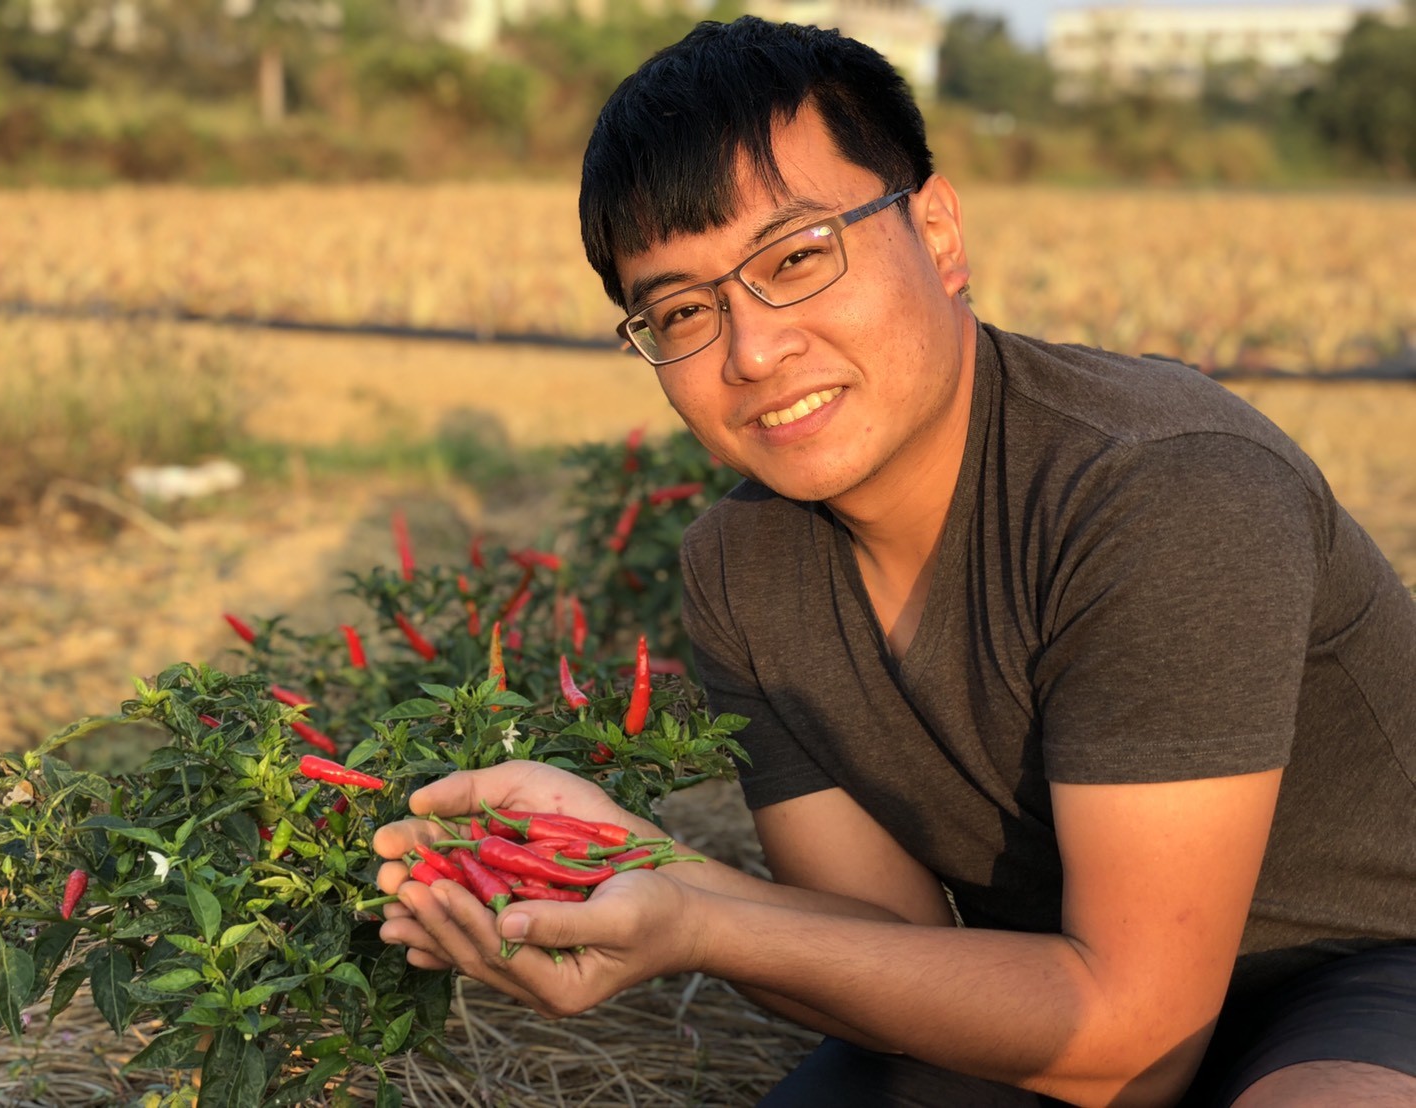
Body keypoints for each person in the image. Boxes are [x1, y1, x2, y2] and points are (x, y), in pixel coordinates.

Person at [373, 16, 1416, 1106]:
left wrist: (697, 915)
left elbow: (1132, 1044)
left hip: (1364, 965)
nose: (752, 350)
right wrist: (653, 878)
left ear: (938, 231)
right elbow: (879, 944)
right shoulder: (746, 567)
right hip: (1067, 976)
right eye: (681, 310)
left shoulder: (1157, 486)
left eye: (794, 257)